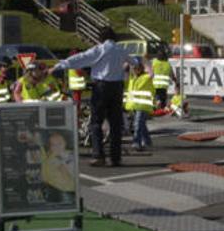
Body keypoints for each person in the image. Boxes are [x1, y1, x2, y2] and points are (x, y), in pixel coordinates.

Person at [51, 27, 130, 166]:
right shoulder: (121, 49)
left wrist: (58, 66)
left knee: (96, 122)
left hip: (101, 87)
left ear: (101, 38)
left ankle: (98, 155)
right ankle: (116, 157)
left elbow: (80, 58)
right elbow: (134, 61)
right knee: (115, 124)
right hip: (117, 87)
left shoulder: (100, 49)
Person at [124, 56, 154, 152]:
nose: (135, 69)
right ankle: (148, 141)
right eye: (133, 68)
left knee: (137, 124)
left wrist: (143, 60)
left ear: (142, 68)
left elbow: (151, 72)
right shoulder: (131, 79)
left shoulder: (146, 77)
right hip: (134, 106)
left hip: (143, 106)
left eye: (137, 67)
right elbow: (124, 72)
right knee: (141, 124)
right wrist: (127, 64)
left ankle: (136, 142)